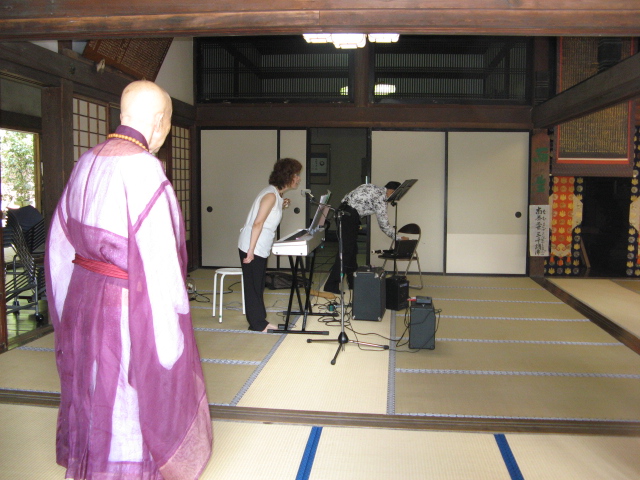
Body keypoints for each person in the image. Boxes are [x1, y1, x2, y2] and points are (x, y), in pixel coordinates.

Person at [45, 80, 212, 480]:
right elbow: (159, 259)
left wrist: (66, 301)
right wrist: (172, 326)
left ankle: (91, 464)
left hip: (82, 293)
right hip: (123, 300)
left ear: (123, 116)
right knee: (126, 389)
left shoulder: (86, 161)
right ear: (160, 121)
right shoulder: (144, 168)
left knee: (90, 385)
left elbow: (58, 243)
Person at [238, 158, 302, 332]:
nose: (298, 178)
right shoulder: (271, 195)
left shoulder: (275, 194)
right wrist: (250, 251)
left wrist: (282, 203)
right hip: (253, 244)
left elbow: (269, 213)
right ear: (287, 176)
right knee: (253, 286)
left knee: (258, 284)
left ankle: (260, 320)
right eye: (296, 175)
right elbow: (257, 223)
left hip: (259, 245)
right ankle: (258, 324)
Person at [323, 181, 402, 294]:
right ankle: (331, 285)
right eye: (396, 194)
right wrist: (398, 238)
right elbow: (384, 225)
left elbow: (348, 196)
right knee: (346, 252)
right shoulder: (381, 198)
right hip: (349, 217)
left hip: (342, 212)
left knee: (352, 250)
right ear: (391, 191)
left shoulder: (370, 186)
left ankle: (353, 282)